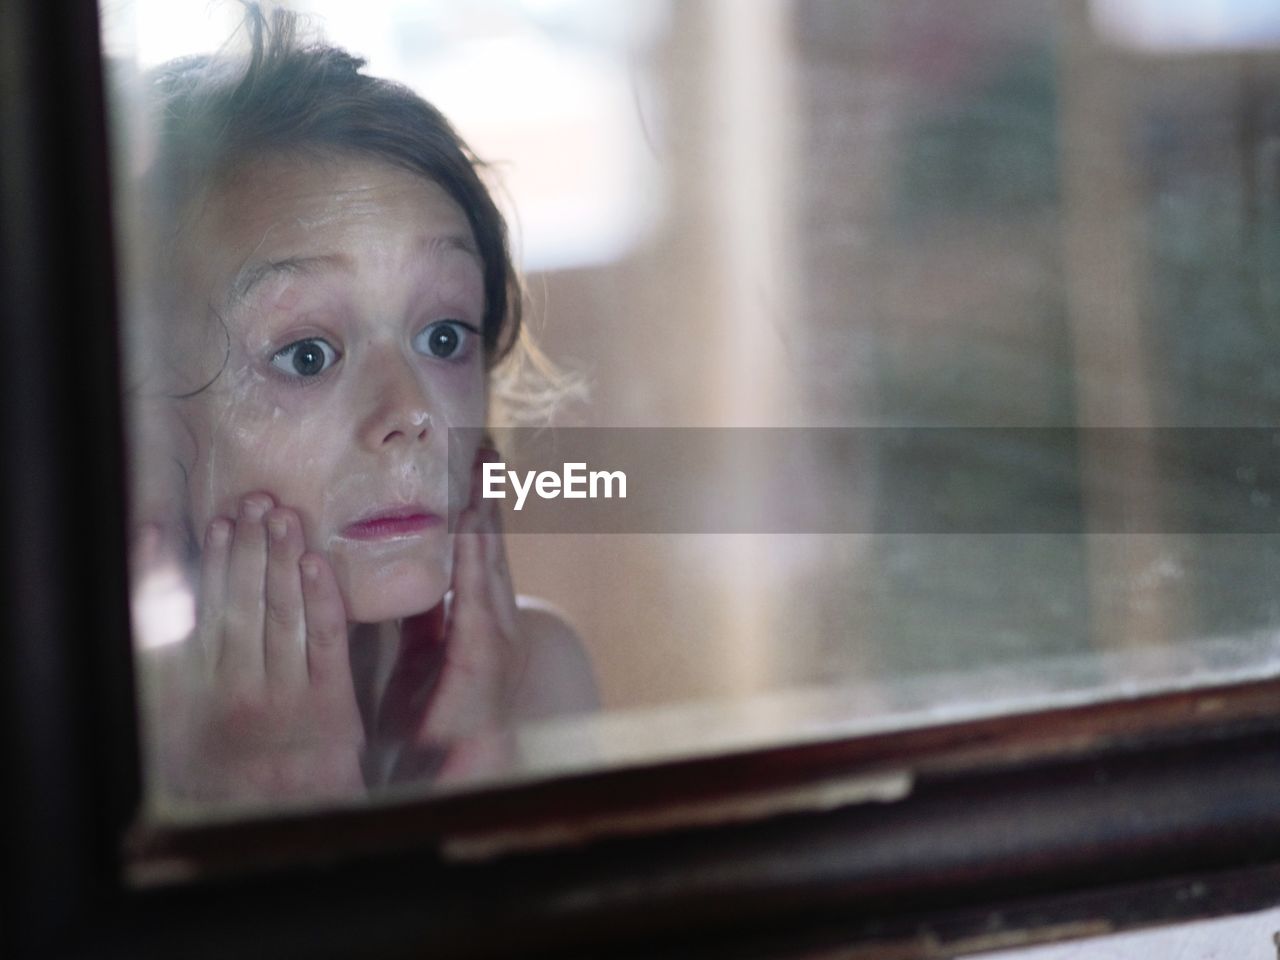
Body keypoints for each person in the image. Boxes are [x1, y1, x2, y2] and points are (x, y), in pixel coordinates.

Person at [129, 7, 598, 805]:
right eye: (306, 356)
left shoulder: (535, 676)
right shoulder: (91, 739)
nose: (412, 412)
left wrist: (478, 801)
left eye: (444, 337)